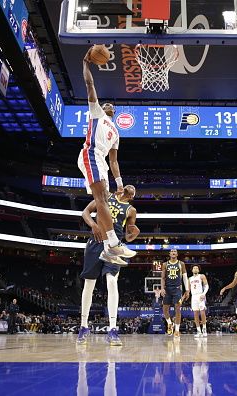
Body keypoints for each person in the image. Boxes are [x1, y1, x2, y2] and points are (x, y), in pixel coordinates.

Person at [78, 48, 136, 265]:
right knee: (102, 199)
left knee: (105, 200)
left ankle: (108, 249)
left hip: (100, 160)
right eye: (106, 104)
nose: (108, 105)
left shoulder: (116, 133)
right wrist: (86, 63)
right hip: (90, 153)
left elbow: (114, 161)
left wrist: (119, 183)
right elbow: (90, 85)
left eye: (112, 105)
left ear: (116, 112)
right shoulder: (96, 113)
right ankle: (112, 244)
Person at [77, 186, 140, 346]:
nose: (130, 187)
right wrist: (93, 224)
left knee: (112, 282)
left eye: (132, 190)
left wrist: (134, 235)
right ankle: (83, 326)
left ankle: (112, 329)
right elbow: (85, 212)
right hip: (96, 242)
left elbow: (128, 235)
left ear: (132, 196)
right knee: (89, 284)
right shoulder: (106, 195)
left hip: (114, 245)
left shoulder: (131, 210)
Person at [160, 249, 189, 337]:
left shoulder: (181, 264)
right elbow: (163, 278)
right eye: (172, 251)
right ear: (169, 254)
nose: (173, 252)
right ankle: (169, 323)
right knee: (165, 309)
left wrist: (187, 290)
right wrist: (162, 288)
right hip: (167, 289)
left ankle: (176, 330)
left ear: (177, 254)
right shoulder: (165, 264)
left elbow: (185, 277)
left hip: (177, 289)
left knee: (177, 308)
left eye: (175, 251)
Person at [188, 265, 209, 337]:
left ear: (198, 270)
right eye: (194, 268)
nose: (195, 269)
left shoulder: (202, 276)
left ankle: (204, 329)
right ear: (192, 270)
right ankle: (198, 331)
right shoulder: (190, 279)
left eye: (197, 268)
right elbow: (188, 290)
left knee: (202, 312)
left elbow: (206, 286)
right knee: (195, 314)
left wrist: (203, 294)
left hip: (200, 295)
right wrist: (185, 296)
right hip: (193, 296)